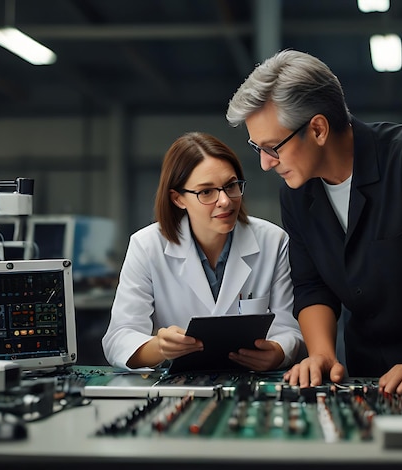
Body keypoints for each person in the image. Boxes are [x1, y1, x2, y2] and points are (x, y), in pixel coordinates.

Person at [225, 49, 402, 396]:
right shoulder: (297, 194)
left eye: (273, 148)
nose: (267, 164)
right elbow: (312, 285)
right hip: (368, 373)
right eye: (259, 149)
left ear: (317, 129)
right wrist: (322, 355)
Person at [102, 131, 305, 372]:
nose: (225, 201)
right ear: (178, 198)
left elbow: (289, 329)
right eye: (206, 192)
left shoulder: (273, 241)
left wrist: (278, 353)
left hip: (249, 384)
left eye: (231, 186)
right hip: (177, 389)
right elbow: (118, 338)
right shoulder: (147, 246)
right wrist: (159, 347)